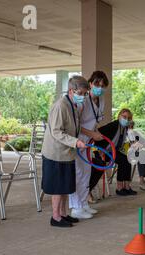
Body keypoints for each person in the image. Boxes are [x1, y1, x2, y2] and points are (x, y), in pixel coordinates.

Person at [41, 75, 88, 228]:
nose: (82, 96)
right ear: (71, 91)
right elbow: (56, 132)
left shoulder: (73, 105)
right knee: (57, 186)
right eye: (80, 93)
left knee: (65, 186)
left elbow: (75, 127)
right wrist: (76, 142)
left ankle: (63, 214)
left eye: (84, 93)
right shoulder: (60, 106)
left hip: (67, 153)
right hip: (55, 153)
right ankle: (55, 217)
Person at [69, 71, 108, 219]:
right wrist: (92, 134)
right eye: (97, 84)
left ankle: (84, 203)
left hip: (88, 141)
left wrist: (95, 133)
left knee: (86, 172)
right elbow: (76, 124)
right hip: (78, 140)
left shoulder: (101, 100)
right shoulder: (83, 100)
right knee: (78, 173)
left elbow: (95, 120)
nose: (100, 88)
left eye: (103, 86)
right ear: (90, 84)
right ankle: (75, 208)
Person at [89, 108, 137, 196]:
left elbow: (132, 140)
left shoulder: (126, 128)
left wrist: (130, 129)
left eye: (129, 118)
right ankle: (119, 187)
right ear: (119, 116)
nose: (126, 119)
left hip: (113, 151)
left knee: (127, 160)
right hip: (103, 151)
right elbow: (98, 133)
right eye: (124, 117)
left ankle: (126, 186)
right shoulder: (114, 125)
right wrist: (100, 149)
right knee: (123, 160)